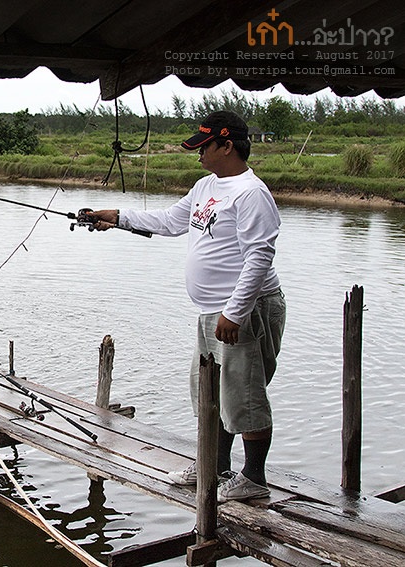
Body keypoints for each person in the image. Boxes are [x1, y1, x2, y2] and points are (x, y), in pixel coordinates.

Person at [82, 111, 286, 503]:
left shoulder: (251, 193)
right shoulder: (206, 185)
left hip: (241, 309)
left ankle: (254, 479)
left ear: (227, 146)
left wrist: (236, 312)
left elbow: (259, 257)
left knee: (244, 394)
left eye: (204, 146)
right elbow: (170, 221)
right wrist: (117, 217)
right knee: (209, 391)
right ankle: (214, 466)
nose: (198, 153)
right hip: (212, 311)